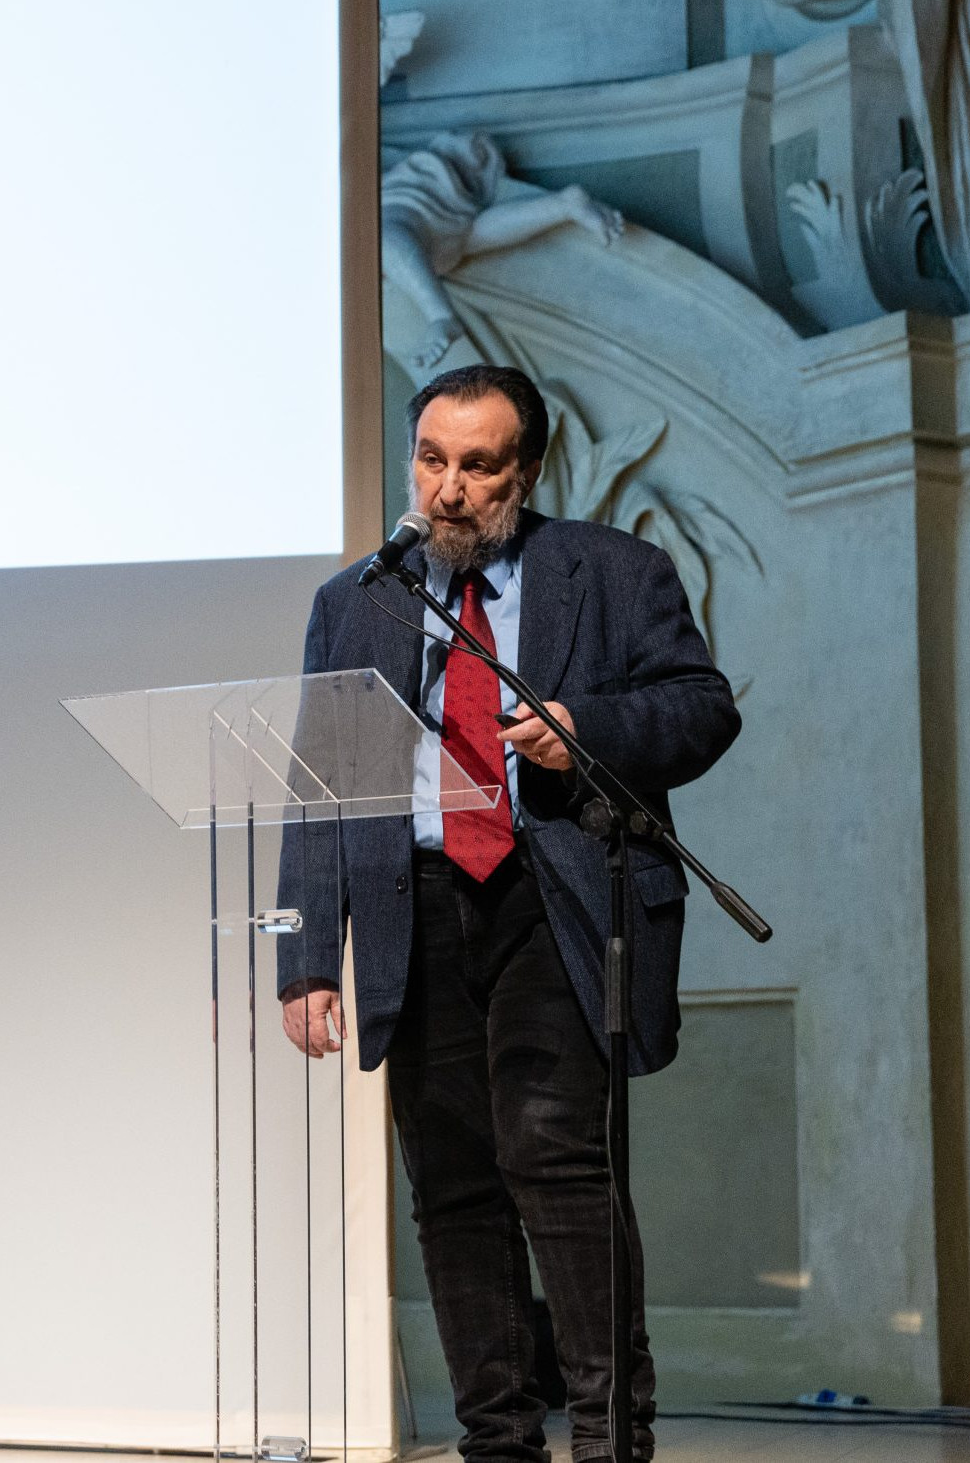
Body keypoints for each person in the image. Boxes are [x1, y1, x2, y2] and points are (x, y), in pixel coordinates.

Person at [275, 364, 741, 1463]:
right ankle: (497, 1442)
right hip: (417, 905)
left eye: (476, 466)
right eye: (430, 460)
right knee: (452, 1184)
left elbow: (700, 708)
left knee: (551, 1153)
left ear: (523, 472)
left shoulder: (612, 572)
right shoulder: (357, 600)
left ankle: (609, 1436)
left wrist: (584, 727)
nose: (446, 489)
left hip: (554, 895)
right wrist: (308, 955)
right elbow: (320, 781)